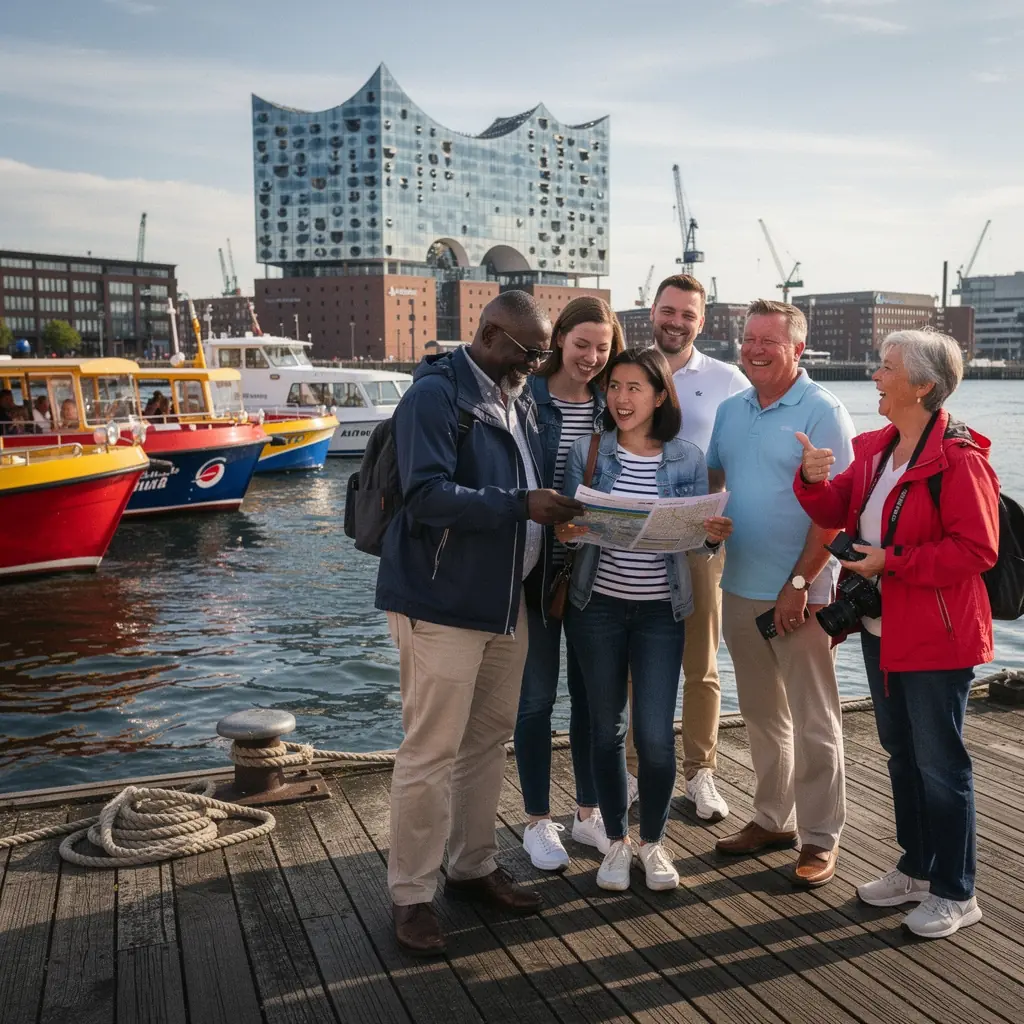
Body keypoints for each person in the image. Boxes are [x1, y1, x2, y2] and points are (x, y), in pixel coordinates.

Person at [376, 290, 584, 957]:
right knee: (429, 752)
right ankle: (411, 895)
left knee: (484, 743)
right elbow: (426, 495)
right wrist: (520, 504)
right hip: (440, 604)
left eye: (544, 351)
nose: (539, 363)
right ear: (491, 334)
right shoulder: (435, 397)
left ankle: (470, 867)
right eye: (531, 351)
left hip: (504, 603)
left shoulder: (516, 394)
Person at [793, 329, 998, 938]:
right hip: (883, 631)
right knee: (903, 755)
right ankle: (917, 870)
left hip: (937, 636)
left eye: (886, 369)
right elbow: (835, 510)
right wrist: (810, 478)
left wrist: (894, 561)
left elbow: (977, 549)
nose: (875, 378)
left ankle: (958, 892)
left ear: (924, 386)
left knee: (942, 765)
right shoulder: (877, 447)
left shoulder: (959, 460)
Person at [558, 347, 732, 892]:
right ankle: (615, 841)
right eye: (614, 387)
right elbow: (563, 524)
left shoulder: (685, 458)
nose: (621, 398)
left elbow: (698, 545)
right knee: (606, 732)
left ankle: (653, 844)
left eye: (635, 388)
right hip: (596, 609)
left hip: (662, 613)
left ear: (661, 395)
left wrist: (709, 535)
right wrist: (569, 530)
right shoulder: (589, 451)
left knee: (656, 737)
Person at [707, 299, 855, 888]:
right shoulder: (729, 409)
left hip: (804, 596)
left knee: (815, 719)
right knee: (764, 716)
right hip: (738, 586)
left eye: (770, 340)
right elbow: (716, 481)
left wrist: (799, 584)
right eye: (748, 338)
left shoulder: (823, 411)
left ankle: (821, 837)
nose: (755, 349)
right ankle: (772, 820)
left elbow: (837, 515)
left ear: (798, 349)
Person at [515, 296, 624, 872]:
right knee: (535, 699)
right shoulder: (526, 396)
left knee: (592, 700)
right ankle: (536, 821)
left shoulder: (615, 402)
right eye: (581, 344)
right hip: (535, 569)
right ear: (559, 339)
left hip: (596, 571)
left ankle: (587, 815)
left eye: (602, 348)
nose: (590, 357)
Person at [638, 273, 749, 823]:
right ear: (651, 312)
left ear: (701, 322)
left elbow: (739, 456)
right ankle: (633, 772)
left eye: (687, 314)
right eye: (668, 310)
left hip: (700, 540)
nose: (676, 321)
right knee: (636, 661)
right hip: (633, 538)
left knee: (701, 663)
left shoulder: (728, 380)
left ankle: (700, 770)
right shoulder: (628, 370)